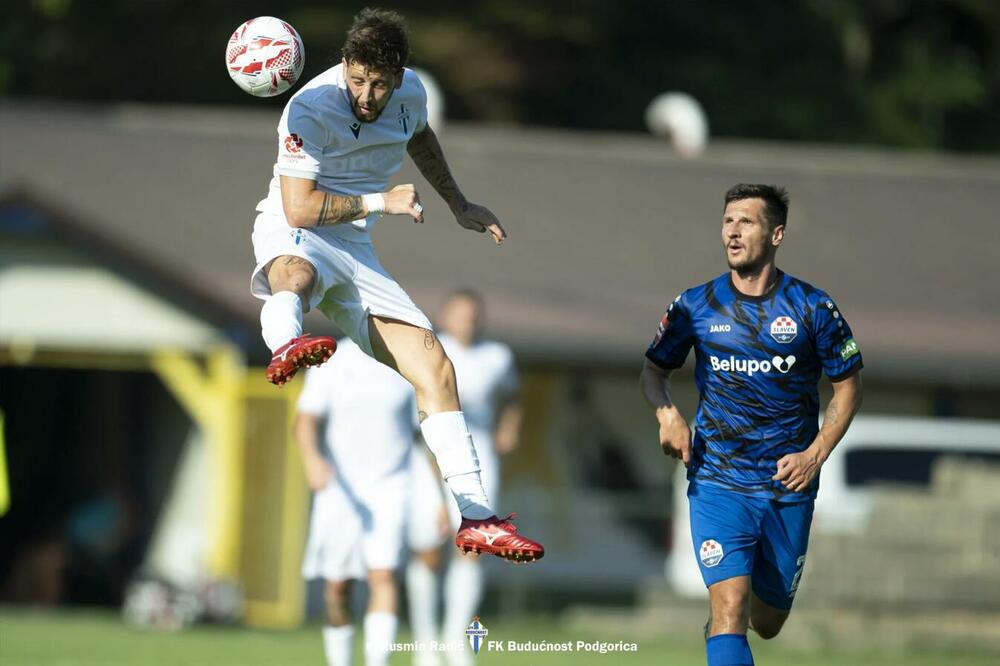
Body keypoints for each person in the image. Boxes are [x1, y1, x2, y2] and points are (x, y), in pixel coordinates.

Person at [249, 8, 542, 562]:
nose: (365, 94)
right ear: (345, 66)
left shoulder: (410, 97)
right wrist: (384, 201)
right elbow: (300, 207)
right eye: (357, 79)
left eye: (378, 83)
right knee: (299, 273)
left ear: (400, 76)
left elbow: (421, 138)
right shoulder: (308, 107)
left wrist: (458, 203)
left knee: (435, 366)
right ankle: (285, 342)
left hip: (356, 245)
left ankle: (478, 517)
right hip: (299, 226)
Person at [639, 184, 863, 666]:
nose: (733, 232)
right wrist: (668, 415)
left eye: (747, 222)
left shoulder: (812, 308)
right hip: (718, 478)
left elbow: (848, 386)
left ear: (776, 233)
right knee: (730, 608)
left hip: (788, 484)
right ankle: (724, 627)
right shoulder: (695, 306)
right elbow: (654, 371)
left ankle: (732, 628)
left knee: (768, 622)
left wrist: (814, 454)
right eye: (727, 221)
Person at [405, 290, 522, 666]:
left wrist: (509, 426)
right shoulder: (430, 351)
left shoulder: (497, 356)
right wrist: (436, 487)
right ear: (445, 316)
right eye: (460, 314)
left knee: (472, 546)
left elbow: (513, 396)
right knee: (428, 546)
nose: (468, 320)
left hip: (481, 454)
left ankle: (455, 640)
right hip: (432, 452)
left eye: (474, 314)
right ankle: (425, 644)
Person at [295, 339, 416, 666]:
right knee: (337, 586)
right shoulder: (330, 359)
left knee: (384, 574)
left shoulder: (404, 358)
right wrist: (312, 460)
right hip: (341, 487)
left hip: (391, 484)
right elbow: (305, 420)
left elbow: (421, 430)